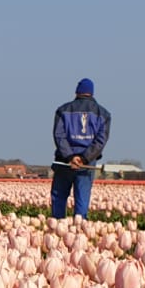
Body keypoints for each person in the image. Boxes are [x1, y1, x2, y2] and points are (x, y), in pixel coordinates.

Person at [51, 78, 111, 219]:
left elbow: (59, 136)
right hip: (86, 165)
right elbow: (100, 141)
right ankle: (80, 227)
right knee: (82, 199)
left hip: (64, 162)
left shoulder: (63, 110)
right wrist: (84, 158)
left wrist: (70, 157)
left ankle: (57, 225)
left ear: (77, 92)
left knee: (59, 196)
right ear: (92, 93)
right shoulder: (103, 114)